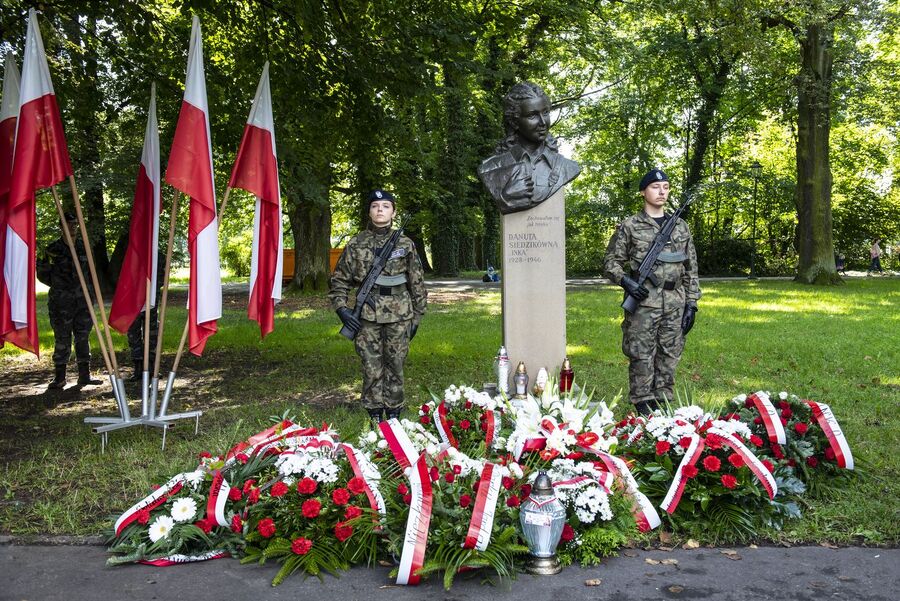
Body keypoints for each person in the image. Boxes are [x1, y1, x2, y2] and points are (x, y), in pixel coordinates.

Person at [603, 169, 701, 416]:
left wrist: (691, 303)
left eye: (666, 187)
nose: (662, 192)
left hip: (675, 302)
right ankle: (643, 403)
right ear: (643, 192)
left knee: (670, 353)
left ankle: (663, 402)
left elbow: (691, 268)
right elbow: (611, 263)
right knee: (641, 353)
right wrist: (626, 282)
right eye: (656, 187)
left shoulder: (680, 227)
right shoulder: (630, 226)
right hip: (644, 302)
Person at [329, 190, 428, 425]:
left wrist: (417, 315)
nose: (380, 210)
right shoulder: (356, 243)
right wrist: (342, 310)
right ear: (369, 211)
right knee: (371, 364)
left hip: (400, 314)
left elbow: (416, 281)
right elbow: (339, 280)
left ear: (393, 212)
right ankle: (374, 413)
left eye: (385, 206)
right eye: (375, 206)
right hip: (367, 315)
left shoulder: (405, 244)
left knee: (396, 363)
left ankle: (394, 413)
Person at [477, 81, 581, 215]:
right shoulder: (492, 167)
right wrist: (504, 197)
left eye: (545, 113)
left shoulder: (567, 167)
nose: (542, 122)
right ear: (514, 122)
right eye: (532, 115)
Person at [35, 213, 102, 389]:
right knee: (62, 337)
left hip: (83, 301)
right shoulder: (52, 249)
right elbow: (42, 273)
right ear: (61, 227)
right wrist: (60, 285)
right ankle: (60, 377)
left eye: (75, 224)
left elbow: (92, 272)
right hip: (61, 302)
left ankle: (84, 376)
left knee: (83, 336)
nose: (73, 227)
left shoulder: (84, 247)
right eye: (69, 224)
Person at [127, 251, 164, 381]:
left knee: (152, 332)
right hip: (133, 297)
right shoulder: (133, 251)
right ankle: (138, 367)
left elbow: (162, 277)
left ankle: (150, 366)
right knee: (134, 331)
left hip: (151, 298)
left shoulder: (157, 254)